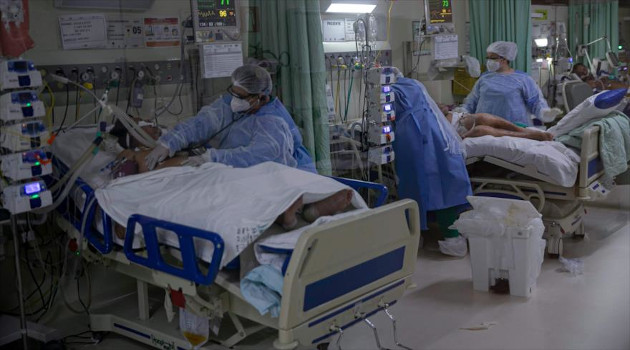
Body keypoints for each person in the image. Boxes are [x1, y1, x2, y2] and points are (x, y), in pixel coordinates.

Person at [144, 64, 317, 173]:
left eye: (241, 96)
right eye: (233, 93)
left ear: (261, 98)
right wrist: (171, 141)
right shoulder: (234, 103)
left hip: (294, 177)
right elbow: (203, 122)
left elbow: (258, 156)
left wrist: (213, 158)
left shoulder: (272, 122)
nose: (234, 100)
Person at [392, 76, 472, 257]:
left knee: (416, 188)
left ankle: (415, 236)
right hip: (442, 142)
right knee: (445, 190)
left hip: (417, 141)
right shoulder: (426, 106)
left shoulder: (401, 105)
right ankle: (452, 238)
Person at [462, 41, 561, 126]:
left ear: (504, 59)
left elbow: (535, 102)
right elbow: (472, 101)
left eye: (492, 58)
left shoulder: (523, 79)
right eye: (488, 58)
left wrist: (544, 113)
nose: (489, 61)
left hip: (516, 128)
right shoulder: (484, 78)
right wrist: (461, 112)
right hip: (485, 128)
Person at [445, 111, 554, 141]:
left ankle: (522, 130)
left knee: (483, 118)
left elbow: (444, 108)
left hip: (459, 118)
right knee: (481, 130)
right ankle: (529, 136)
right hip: (453, 133)